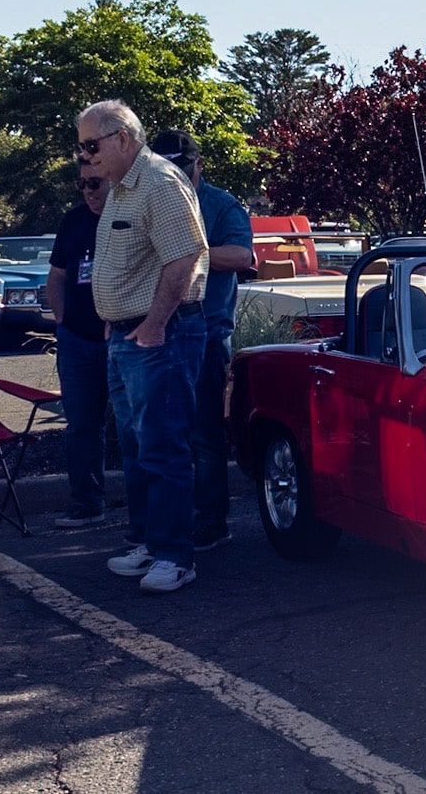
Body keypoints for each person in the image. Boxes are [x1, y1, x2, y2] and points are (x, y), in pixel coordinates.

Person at [80, 100, 210, 594]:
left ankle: (175, 556)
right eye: (81, 146)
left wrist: (154, 323)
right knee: (137, 447)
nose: (85, 155)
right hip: (129, 335)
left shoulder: (158, 182)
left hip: (161, 336)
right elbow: (129, 263)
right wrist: (115, 319)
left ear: (123, 138)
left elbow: (185, 258)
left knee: (163, 445)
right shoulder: (121, 187)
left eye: (91, 144)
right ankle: (151, 543)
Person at [151, 129, 256, 552]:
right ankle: (165, 522)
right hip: (156, 330)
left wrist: (190, 253)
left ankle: (212, 521)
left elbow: (243, 256)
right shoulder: (150, 201)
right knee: (159, 434)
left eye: (181, 167)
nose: (174, 176)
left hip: (207, 335)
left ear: (199, 164)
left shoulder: (221, 204)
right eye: (165, 169)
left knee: (204, 436)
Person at [46, 164, 112, 529]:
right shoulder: (72, 221)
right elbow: (57, 276)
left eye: (95, 183)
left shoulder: (127, 215)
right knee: (81, 426)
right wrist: (62, 320)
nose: (88, 191)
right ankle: (87, 503)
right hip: (76, 338)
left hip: (121, 337)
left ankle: (147, 517)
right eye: (82, 184)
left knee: (135, 428)